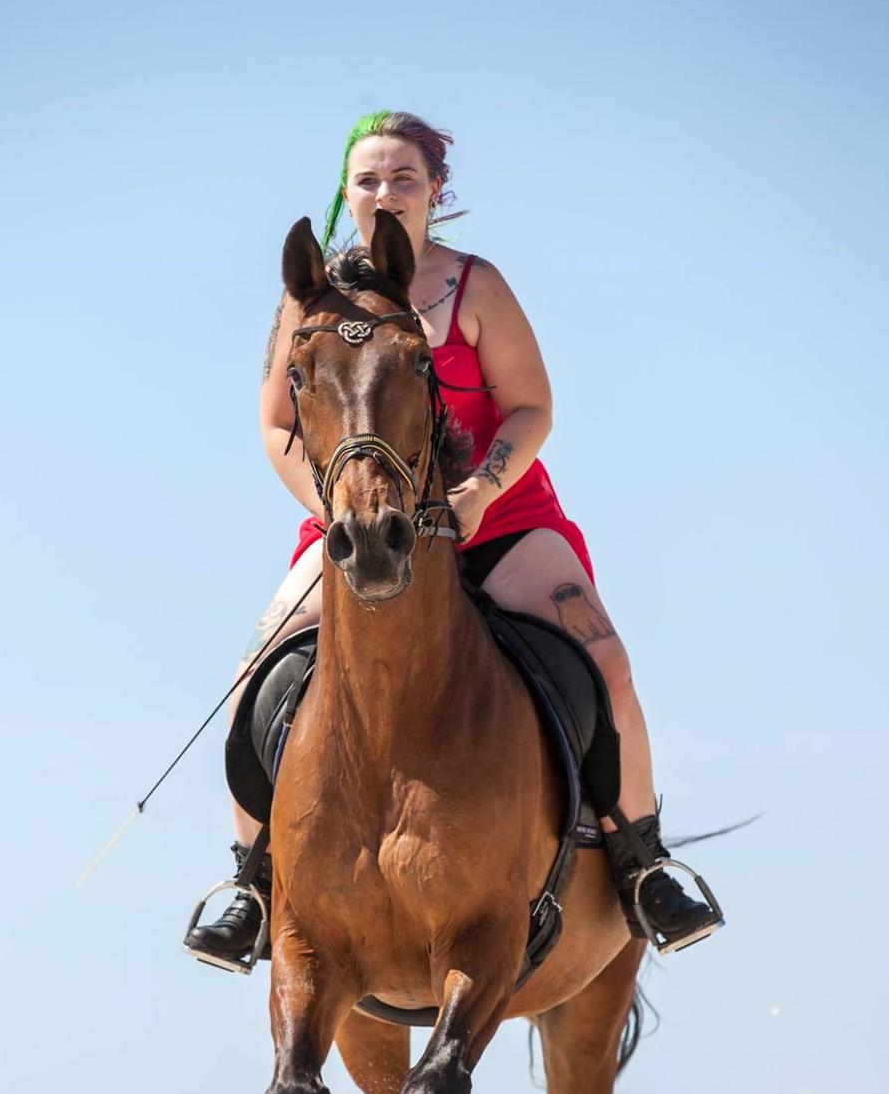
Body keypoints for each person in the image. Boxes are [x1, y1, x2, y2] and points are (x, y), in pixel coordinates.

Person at [186, 110, 722, 964]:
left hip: (498, 519)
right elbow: (278, 427)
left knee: (607, 662)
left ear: (437, 191)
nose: (386, 192)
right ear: (346, 192)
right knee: (258, 667)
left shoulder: (476, 286)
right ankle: (252, 882)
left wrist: (478, 491)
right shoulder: (306, 299)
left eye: (405, 178)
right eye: (369, 179)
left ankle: (641, 861)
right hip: (359, 526)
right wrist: (331, 513)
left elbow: (531, 406)